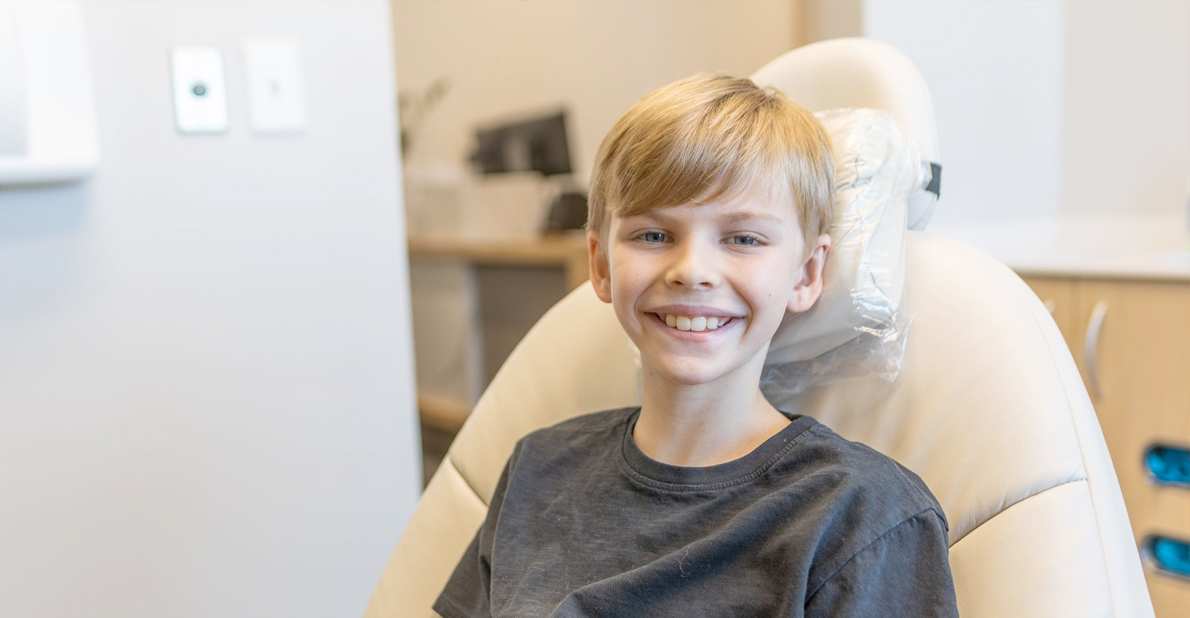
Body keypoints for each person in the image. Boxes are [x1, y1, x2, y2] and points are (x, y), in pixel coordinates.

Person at [432, 74, 959, 618]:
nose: (693, 271)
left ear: (806, 272)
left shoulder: (860, 513)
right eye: (653, 235)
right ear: (601, 263)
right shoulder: (538, 470)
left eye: (743, 239)